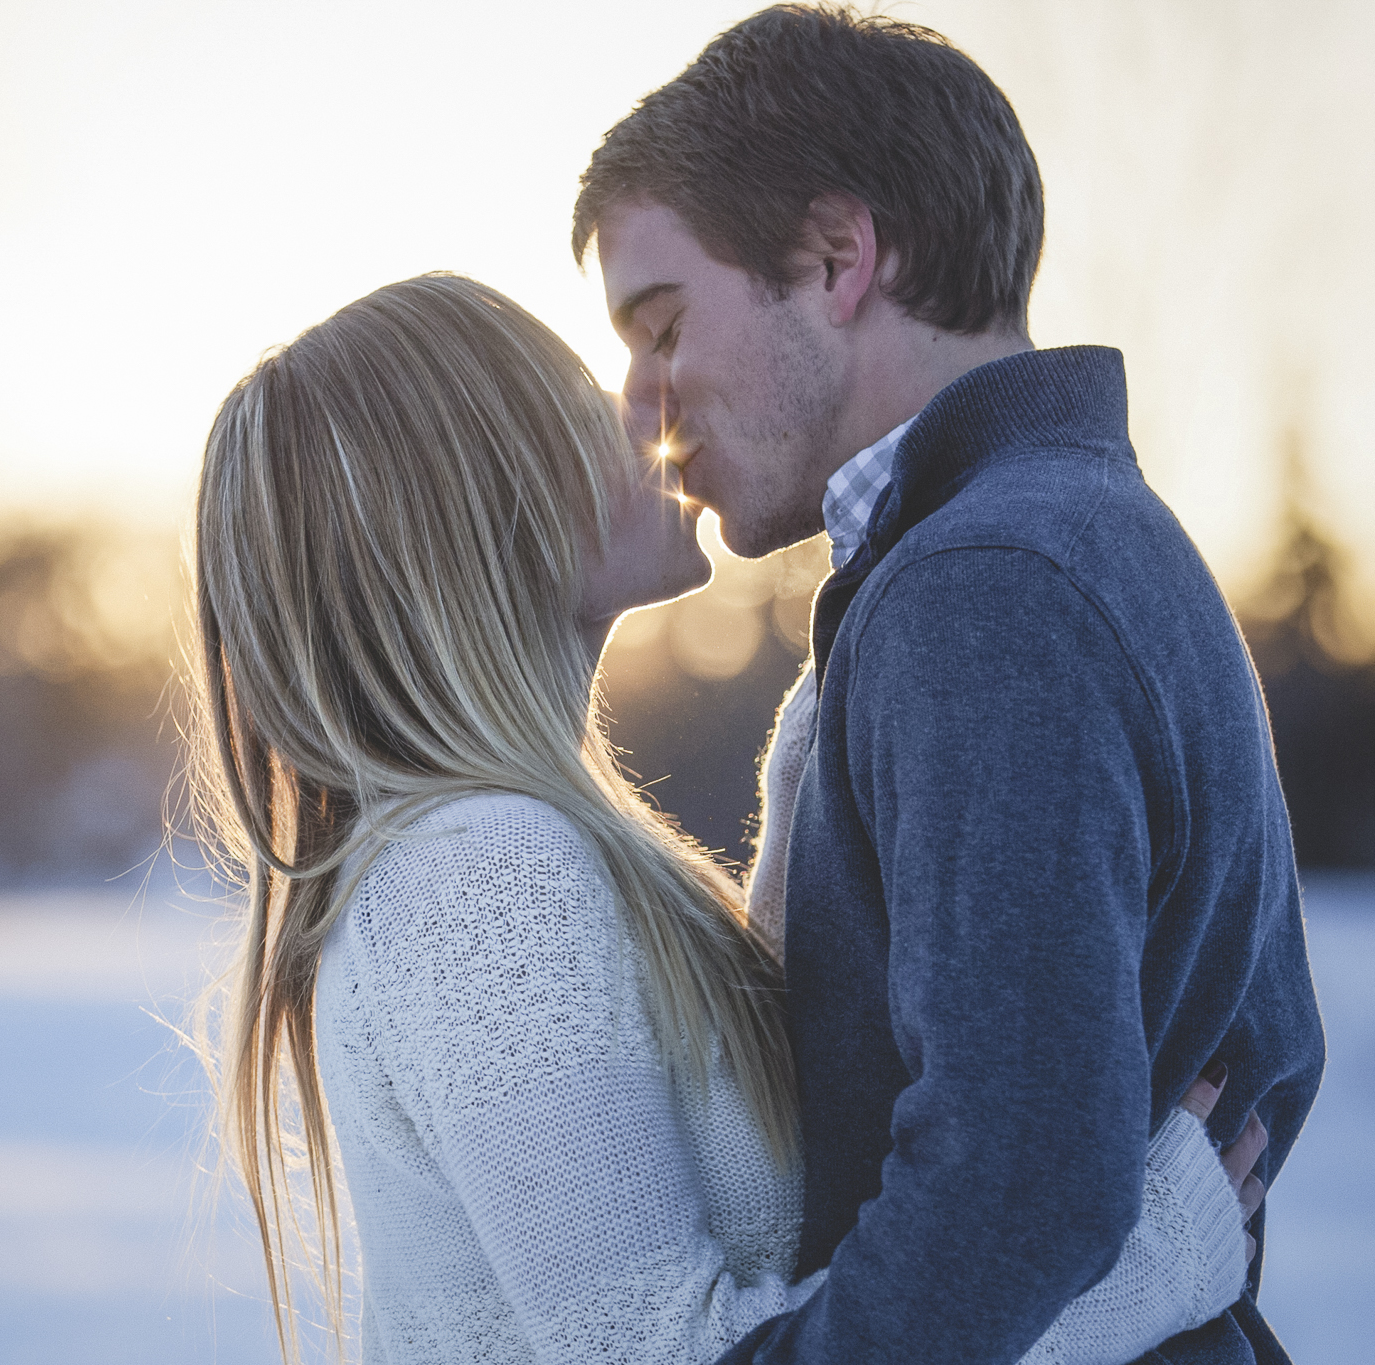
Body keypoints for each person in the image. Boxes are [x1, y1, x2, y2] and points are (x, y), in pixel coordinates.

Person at [189, 271, 1261, 1365]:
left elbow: (769, 1195)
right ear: (479, 499)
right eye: (578, 399)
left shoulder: (491, 855)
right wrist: (1144, 1266)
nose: (646, 418)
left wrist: (829, 747)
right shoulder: (480, 878)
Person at [568, 6, 1325, 1362]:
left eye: (663, 322)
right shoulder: (1065, 534)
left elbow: (1019, 1169)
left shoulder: (990, 586)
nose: (641, 398)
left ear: (837, 257)